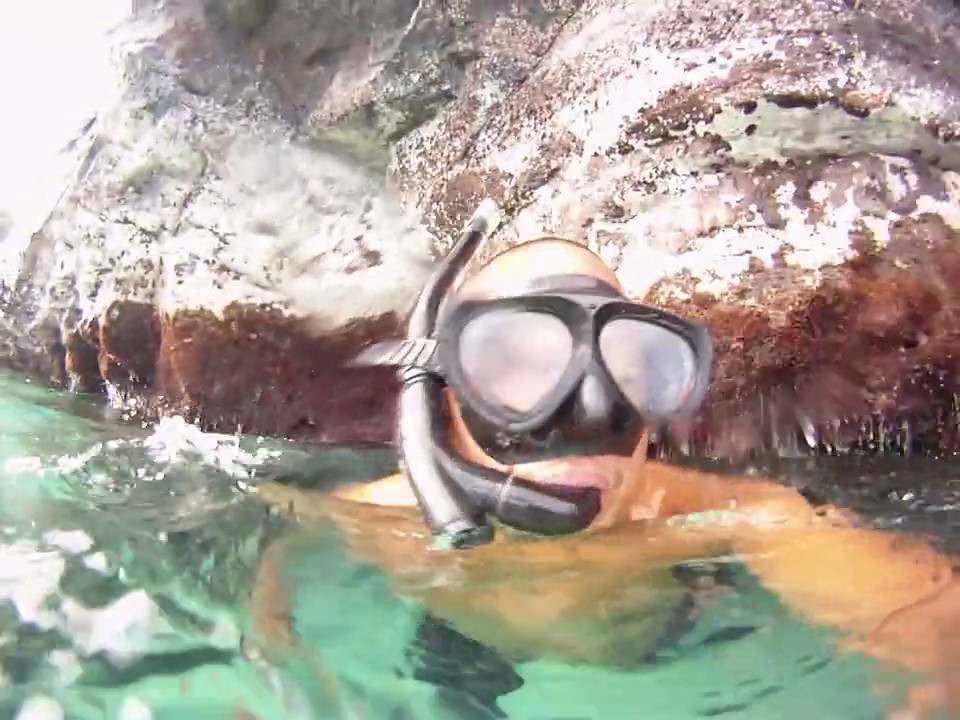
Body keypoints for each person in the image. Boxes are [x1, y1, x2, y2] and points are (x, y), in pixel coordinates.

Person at [252, 202, 960, 719]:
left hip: (683, 638)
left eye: (633, 366)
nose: (590, 408)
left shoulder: (723, 519)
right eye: (518, 364)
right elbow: (271, 622)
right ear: (439, 395)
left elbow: (927, 621)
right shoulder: (357, 518)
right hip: (465, 646)